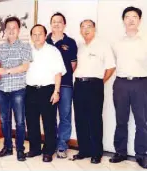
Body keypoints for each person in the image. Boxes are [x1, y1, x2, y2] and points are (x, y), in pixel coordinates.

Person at [72, 19, 115, 164]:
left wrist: (99, 82)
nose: (86, 29)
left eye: (89, 26)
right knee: (80, 118)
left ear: (94, 28)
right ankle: (84, 150)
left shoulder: (103, 45)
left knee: (94, 119)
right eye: (83, 27)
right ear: (80, 30)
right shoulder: (79, 46)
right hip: (78, 85)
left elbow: (111, 67)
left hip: (95, 85)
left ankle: (97, 152)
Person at [110, 6, 147, 169]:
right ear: (123, 20)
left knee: (142, 121)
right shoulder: (117, 42)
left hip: (141, 83)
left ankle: (141, 154)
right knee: (121, 120)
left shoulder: (145, 39)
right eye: (128, 17)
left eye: (134, 17)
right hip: (121, 83)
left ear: (140, 20)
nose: (131, 19)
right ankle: (120, 152)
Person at [25, 24, 66, 163]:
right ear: (31, 37)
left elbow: (58, 73)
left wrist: (56, 91)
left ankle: (49, 150)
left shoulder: (53, 51)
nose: (37, 37)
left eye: (40, 34)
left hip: (48, 89)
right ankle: (35, 148)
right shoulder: (27, 51)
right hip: (30, 89)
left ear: (45, 35)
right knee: (31, 121)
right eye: (34, 34)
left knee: (49, 122)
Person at [0, 16, 32, 161]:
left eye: (14, 28)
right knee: (4, 120)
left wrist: (7, 71)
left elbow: (25, 66)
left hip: (18, 89)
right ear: (4, 30)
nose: (11, 30)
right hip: (3, 89)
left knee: (20, 121)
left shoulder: (25, 46)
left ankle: (20, 149)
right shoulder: (0, 47)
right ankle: (8, 147)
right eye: (8, 28)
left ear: (18, 30)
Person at [46, 12, 78, 158]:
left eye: (59, 21)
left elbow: (73, 65)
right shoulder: (44, 41)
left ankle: (62, 145)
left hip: (65, 85)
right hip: (47, 85)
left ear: (64, 24)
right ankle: (50, 144)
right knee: (49, 116)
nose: (56, 24)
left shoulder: (70, 42)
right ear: (50, 24)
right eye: (54, 21)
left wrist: (61, 77)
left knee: (65, 116)